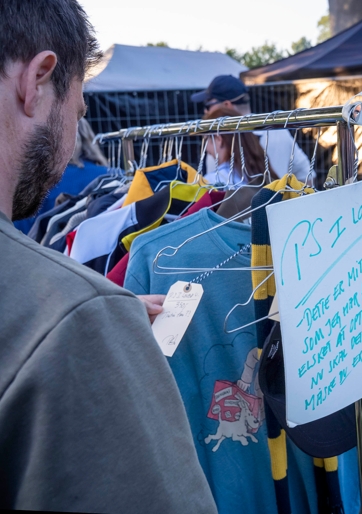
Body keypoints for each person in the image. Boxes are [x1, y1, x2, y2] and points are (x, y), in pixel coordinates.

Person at [0, 1, 217, 512]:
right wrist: (92, 323)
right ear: (37, 81)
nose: (75, 136)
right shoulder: (72, 322)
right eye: (77, 111)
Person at [191, 75, 313, 182]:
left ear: (227, 105)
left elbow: (215, 188)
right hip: (274, 205)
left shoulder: (219, 140)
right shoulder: (278, 130)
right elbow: (306, 176)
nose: (205, 111)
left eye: (208, 105)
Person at [13, 118, 109, 235]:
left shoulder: (37, 180)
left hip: (44, 249)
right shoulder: (112, 176)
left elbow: (20, 230)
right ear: (89, 138)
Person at [201, 105, 272, 184]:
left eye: (206, 139)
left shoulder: (212, 181)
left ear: (218, 140)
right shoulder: (264, 175)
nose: (206, 147)